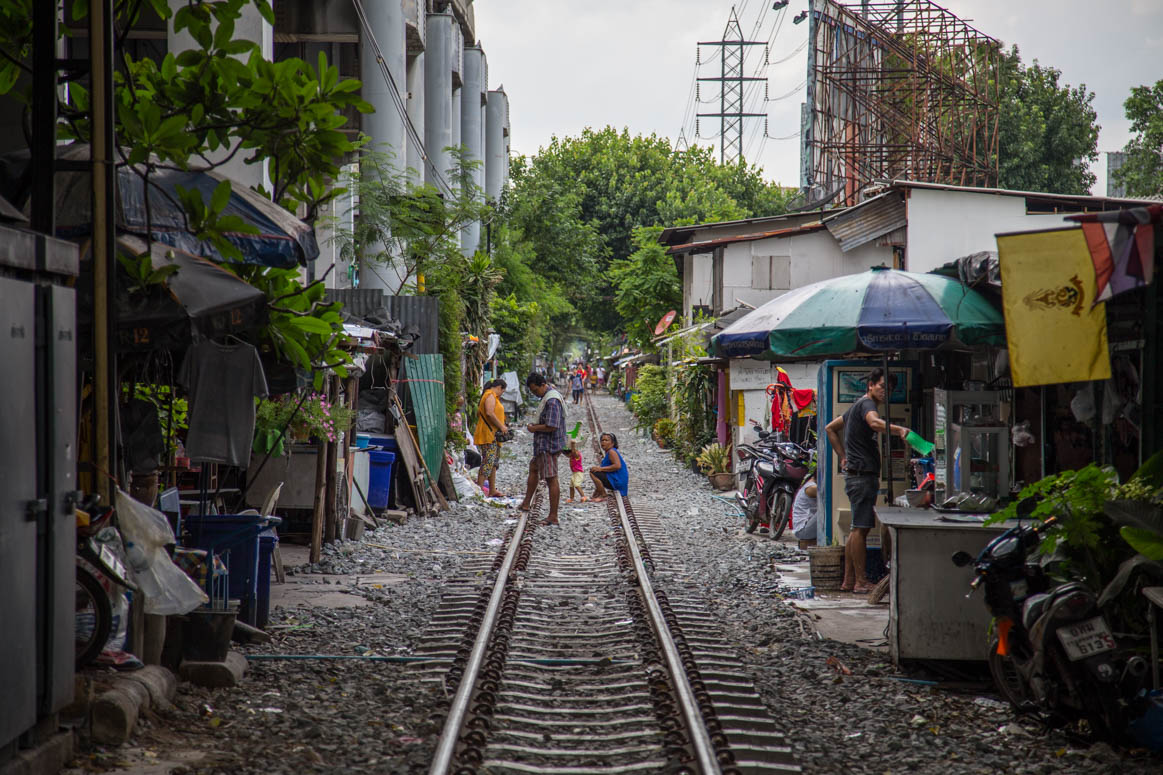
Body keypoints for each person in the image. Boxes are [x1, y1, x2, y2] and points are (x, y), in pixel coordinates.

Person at [824, 368, 909, 594]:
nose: (885, 392)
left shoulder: (856, 405)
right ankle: (860, 581)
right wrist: (899, 429)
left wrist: (843, 455)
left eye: (889, 389)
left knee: (856, 528)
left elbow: (830, 428)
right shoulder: (867, 406)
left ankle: (849, 580)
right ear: (870, 385)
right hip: (862, 477)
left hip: (856, 475)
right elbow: (874, 423)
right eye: (882, 387)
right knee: (860, 529)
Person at [517, 372, 566, 525]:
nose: (535, 394)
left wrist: (534, 428)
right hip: (543, 445)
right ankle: (526, 502)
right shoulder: (549, 395)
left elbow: (552, 425)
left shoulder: (551, 401)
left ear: (542, 385)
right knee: (533, 468)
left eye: (535, 390)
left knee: (551, 478)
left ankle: (553, 516)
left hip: (548, 445)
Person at [473, 379, 509, 497]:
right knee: (487, 462)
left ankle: (492, 490)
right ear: (499, 387)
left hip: (493, 435)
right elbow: (489, 412)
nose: (501, 394)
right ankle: (479, 490)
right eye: (502, 391)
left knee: (493, 463)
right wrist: (501, 426)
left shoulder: (493, 396)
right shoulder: (490, 395)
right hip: (488, 434)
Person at [589, 432, 628, 503]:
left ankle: (604, 495)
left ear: (612, 443)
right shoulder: (610, 452)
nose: (603, 442)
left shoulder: (612, 452)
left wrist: (600, 468)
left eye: (606, 440)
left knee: (593, 472)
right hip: (616, 480)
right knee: (596, 471)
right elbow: (600, 478)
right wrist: (595, 493)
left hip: (618, 481)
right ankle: (599, 494)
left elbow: (617, 466)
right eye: (602, 440)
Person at [790, 474, 818, 547]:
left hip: (804, 528)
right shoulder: (811, 487)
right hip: (803, 531)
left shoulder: (811, 484)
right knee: (826, 510)